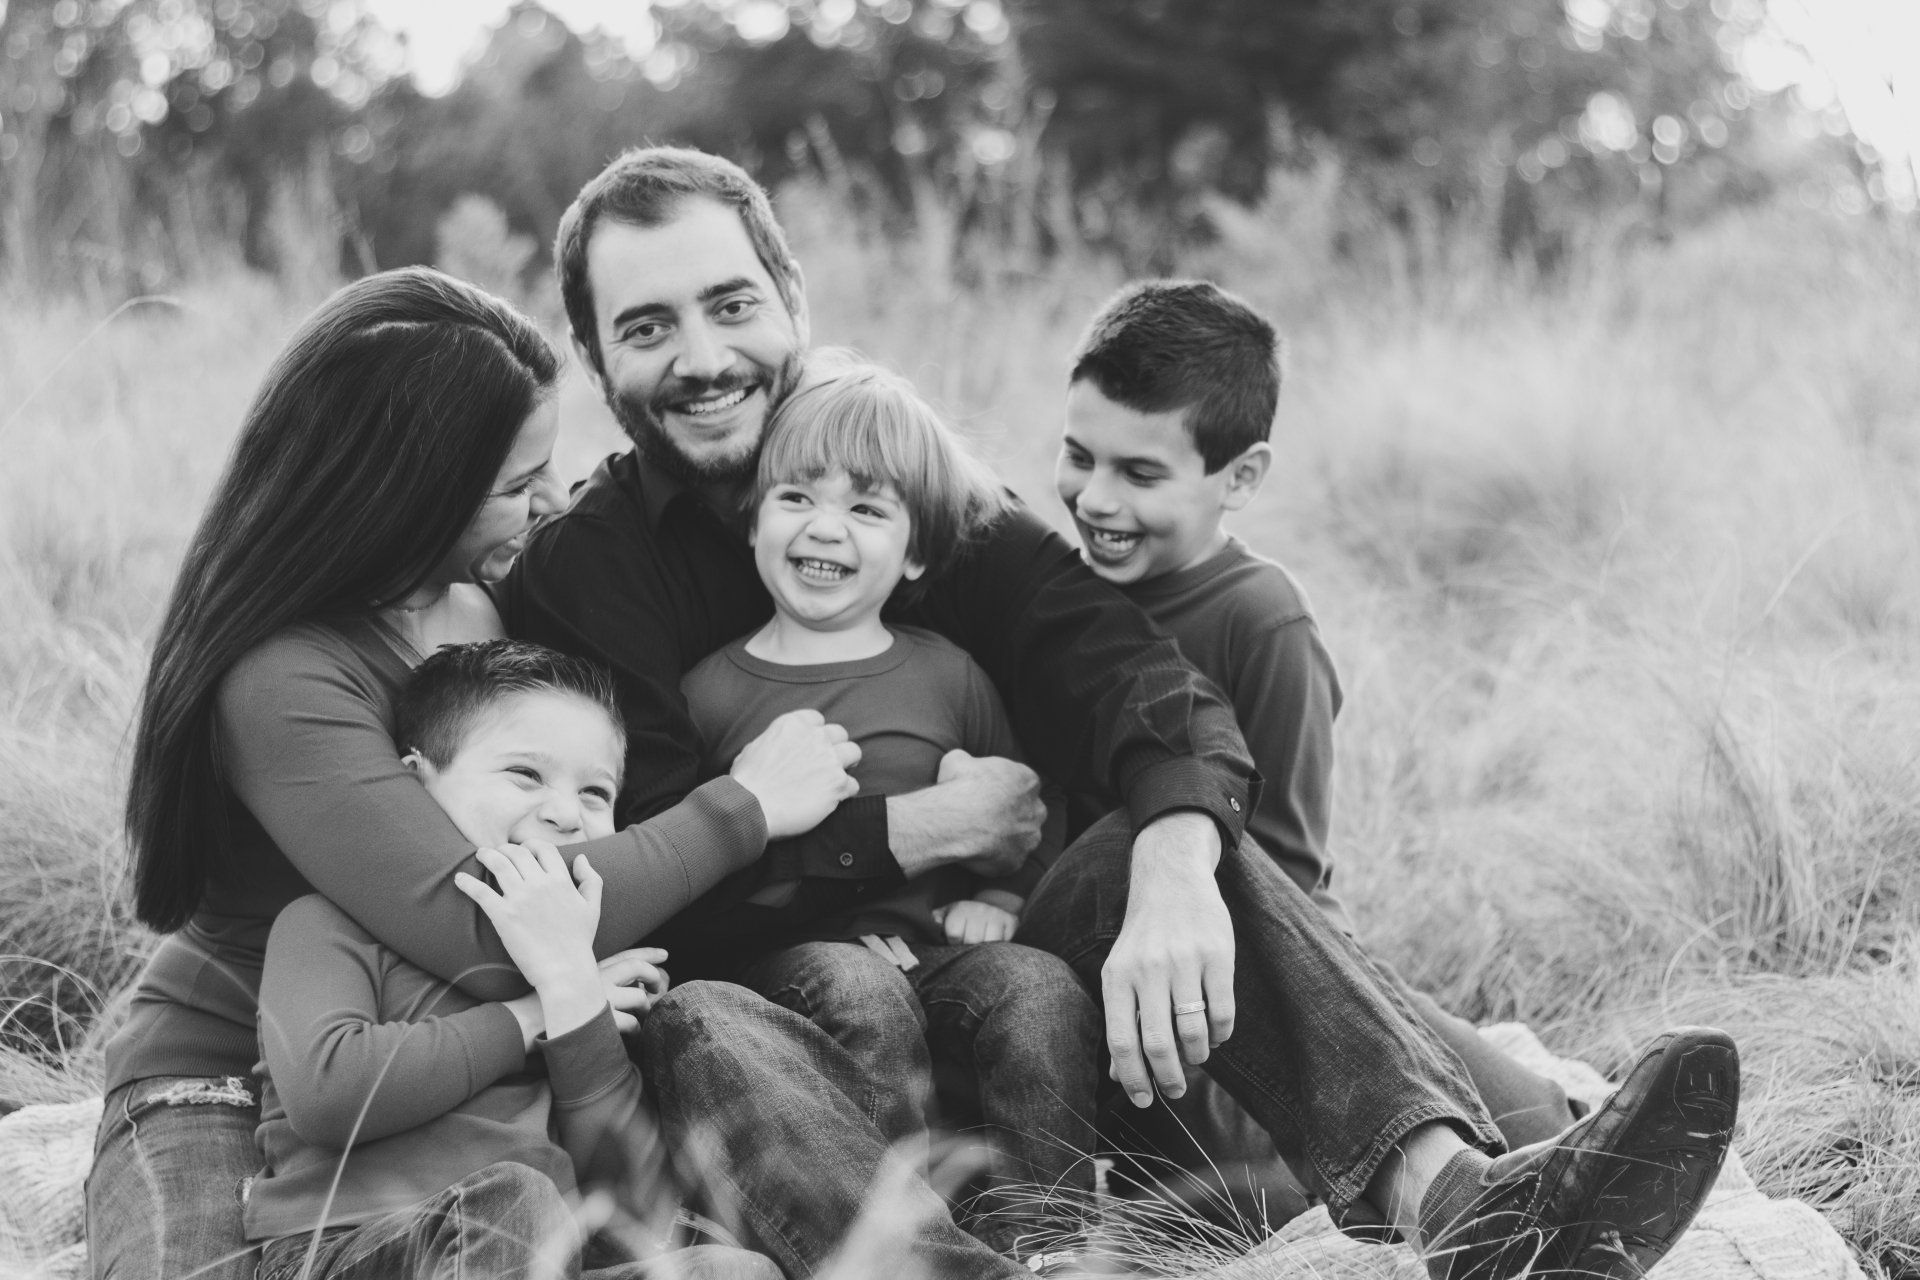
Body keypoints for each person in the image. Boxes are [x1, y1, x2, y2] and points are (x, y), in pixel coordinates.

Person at [506, 143, 1741, 1280]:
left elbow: (1124, 668)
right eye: (649, 326)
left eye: (731, 305)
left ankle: (1470, 1206)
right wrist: (904, 837)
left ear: (790, 297)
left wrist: (1175, 862)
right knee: (706, 1013)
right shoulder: (586, 574)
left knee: (1150, 841)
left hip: (1006, 997)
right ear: (592, 353)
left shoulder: (911, 487)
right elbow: (666, 866)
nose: (706, 357)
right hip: (782, 1051)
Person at [89, 267, 859, 1280]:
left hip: (461, 1087)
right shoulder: (278, 673)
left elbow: (555, 821)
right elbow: (489, 929)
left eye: (546, 466)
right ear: (406, 496)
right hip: (228, 1081)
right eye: (511, 485)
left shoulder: (476, 615)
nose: (547, 502)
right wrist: (743, 807)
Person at [1051, 280, 1581, 1219]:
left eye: (1139, 474)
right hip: (1104, 985)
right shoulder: (1052, 599)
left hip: (1241, 958)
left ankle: (1567, 1151)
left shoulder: (1261, 621)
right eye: (1078, 456)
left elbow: (1287, 874)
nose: (1095, 499)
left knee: (1493, 1088)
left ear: (1242, 478)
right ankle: (1447, 1182)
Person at [679, 354, 1100, 1263]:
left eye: (867, 509)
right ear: (753, 517)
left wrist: (1006, 899)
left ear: (915, 552)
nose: (825, 527)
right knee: (854, 985)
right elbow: (704, 869)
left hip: (939, 958)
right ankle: (908, 1242)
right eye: (797, 497)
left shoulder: (947, 673)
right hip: (791, 973)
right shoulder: (709, 690)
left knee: (1036, 988)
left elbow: (1026, 806)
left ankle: (1050, 1240)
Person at [249, 639, 777, 1280]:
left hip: (547, 1258)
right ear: (414, 786)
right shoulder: (325, 923)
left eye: (595, 793)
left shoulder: (578, 957)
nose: (563, 813)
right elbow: (329, 1092)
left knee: (731, 1271)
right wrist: (531, 1016)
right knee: (511, 1200)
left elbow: (627, 1195)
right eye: (525, 774)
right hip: (345, 1246)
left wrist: (575, 999)